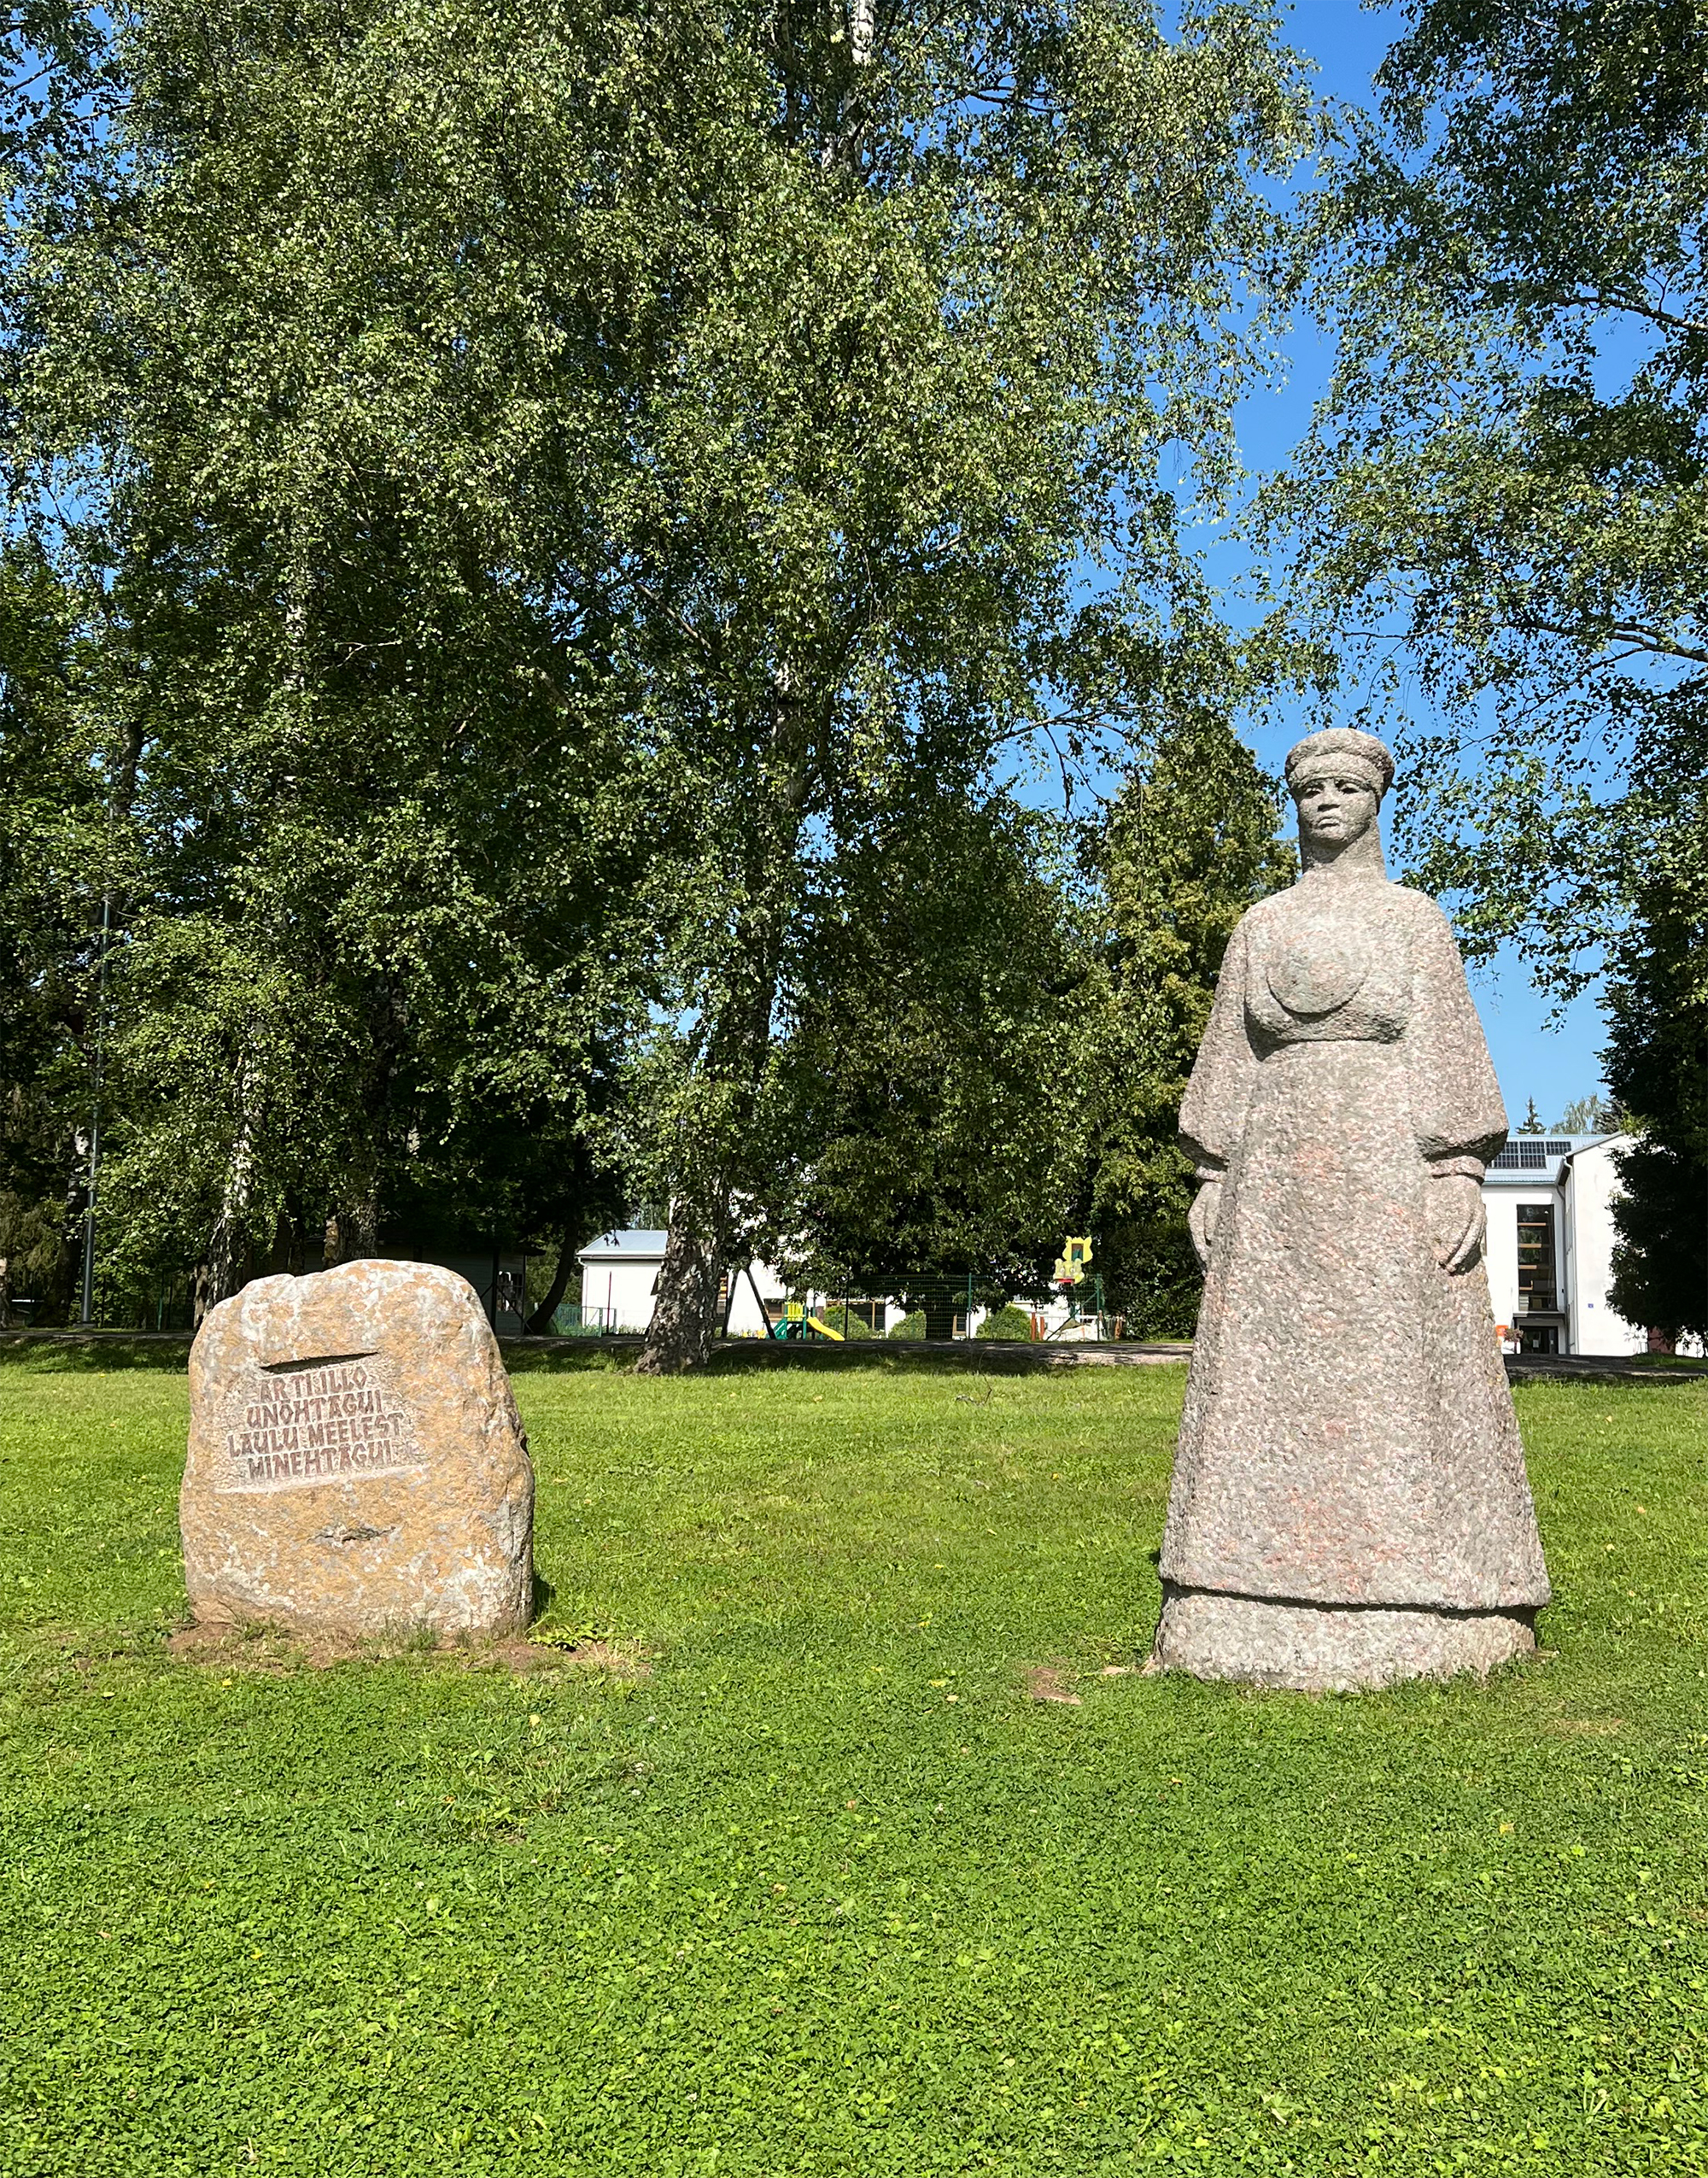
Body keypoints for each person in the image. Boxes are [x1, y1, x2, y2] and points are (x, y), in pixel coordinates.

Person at [1152, 729, 1551, 1689]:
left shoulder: (1413, 921)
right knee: (1259, 1361)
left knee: (1399, 1366)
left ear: (1375, 799)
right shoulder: (1258, 927)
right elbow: (1229, 1061)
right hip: (1273, 1175)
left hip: (1382, 1164)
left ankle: (1429, 1593)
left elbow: (1447, 1050)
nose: (1324, 802)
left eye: (1343, 787)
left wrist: (1454, 1169)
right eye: (1309, 789)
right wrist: (1211, 1175)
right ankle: (1230, 1584)